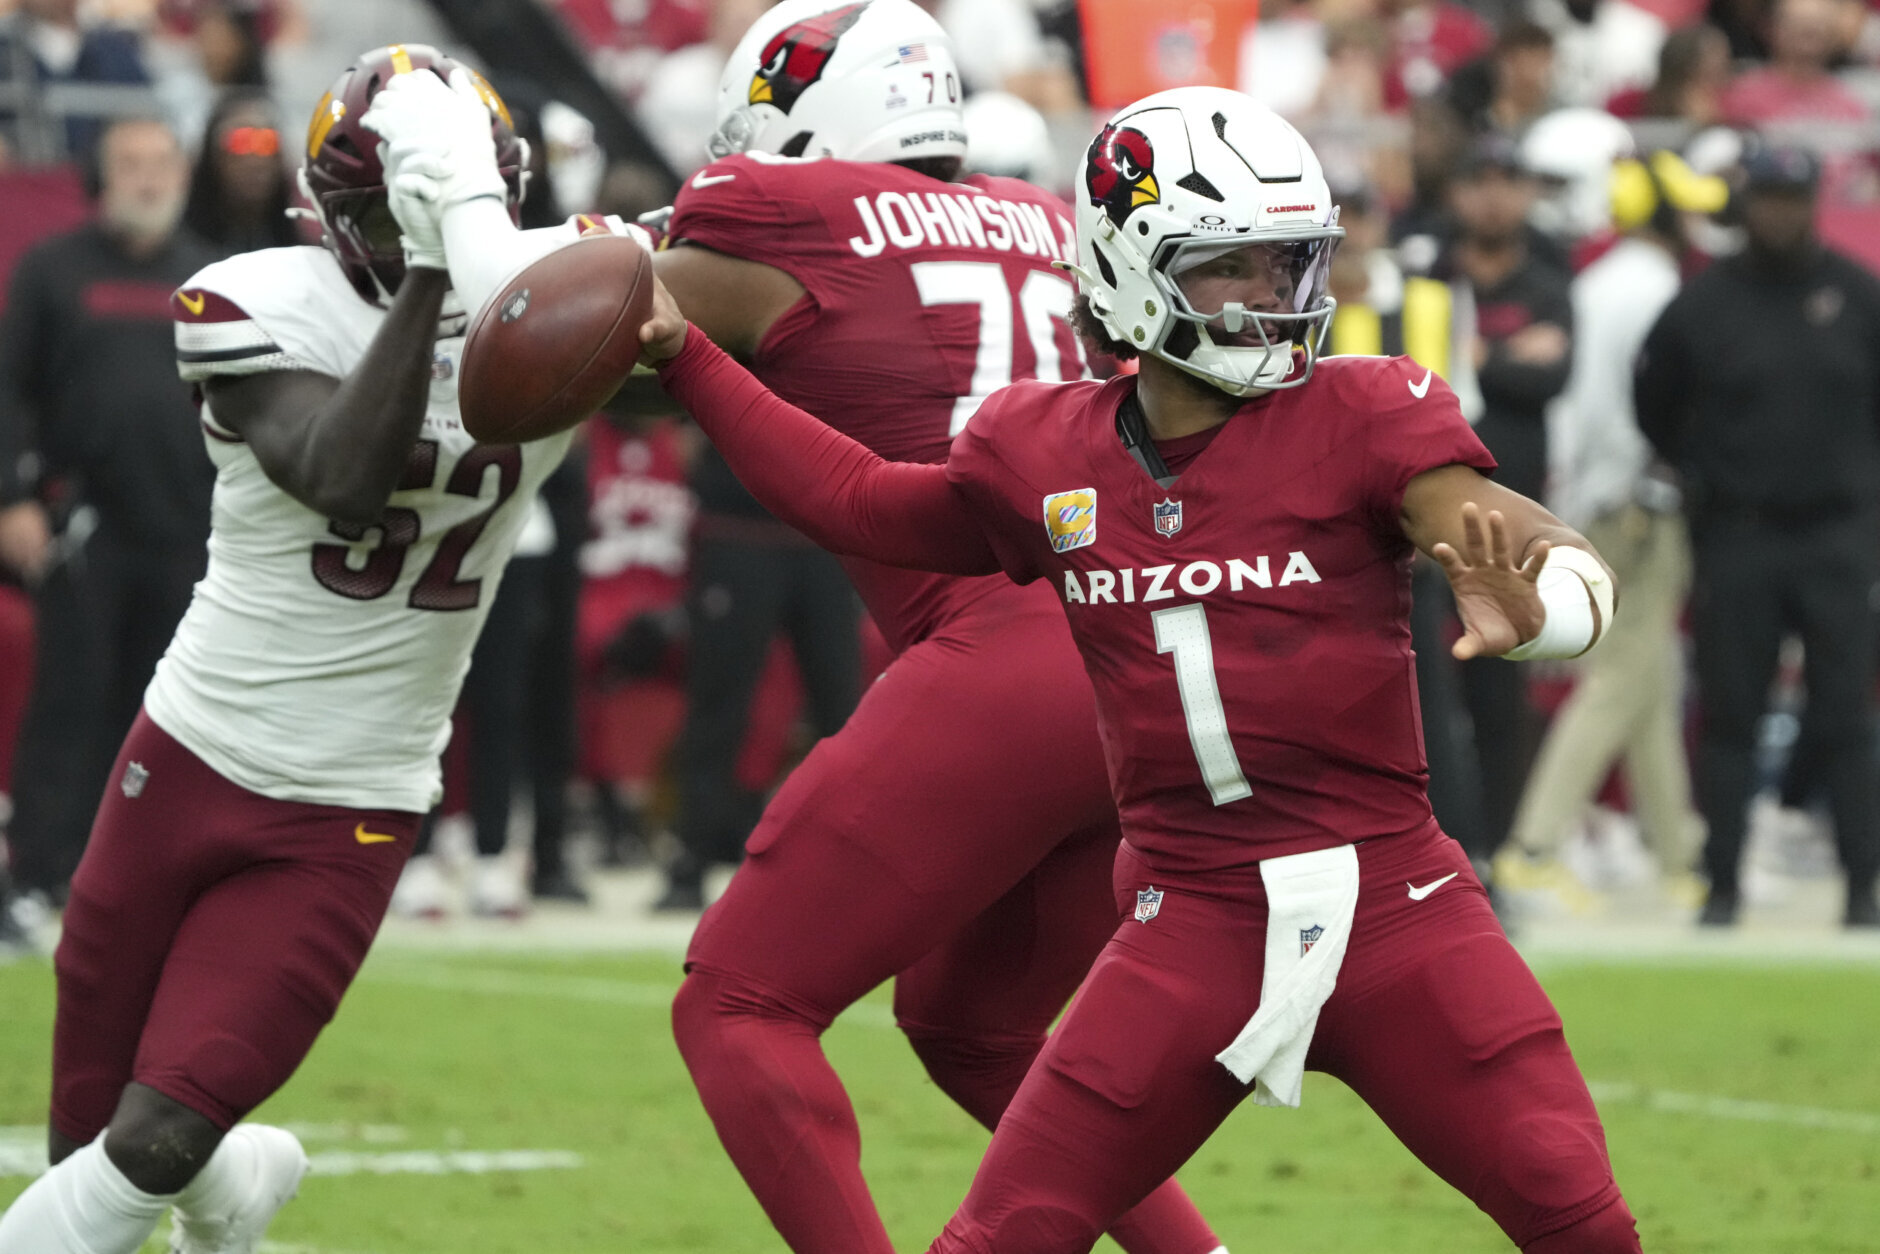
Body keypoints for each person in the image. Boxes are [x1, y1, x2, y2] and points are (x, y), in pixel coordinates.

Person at [636, 86, 1639, 1252]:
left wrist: (1552, 606)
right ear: (1126, 266)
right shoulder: (1040, 447)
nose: (1275, 296)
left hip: (1391, 904)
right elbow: (860, 501)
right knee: (1002, 1237)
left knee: (1575, 1214)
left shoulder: (1366, 410)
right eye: (1235, 265)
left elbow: (1513, 535)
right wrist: (687, 355)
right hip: (1189, 918)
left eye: (1290, 264)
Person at [362, 4, 1225, 1251]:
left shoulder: (784, 216)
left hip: (1006, 654)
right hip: (1151, 661)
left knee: (737, 1003)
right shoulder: (1043, 218)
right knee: (973, 1032)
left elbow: (535, 312)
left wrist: (452, 188)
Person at [0, 43, 622, 1253]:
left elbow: (715, 331)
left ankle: (212, 1177)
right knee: (92, 1138)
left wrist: (632, 285)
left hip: (351, 800)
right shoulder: (246, 299)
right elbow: (341, 473)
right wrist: (442, 273)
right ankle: (240, 1193)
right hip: (187, 751)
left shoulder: (558, 285)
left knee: (162, 1132)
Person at [1636, 144, 1880, 929]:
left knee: (1846, 715)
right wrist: (1704, 475)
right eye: (1767, 197)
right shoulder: (1704, 306)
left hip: (1839, 536)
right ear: (1748, 204)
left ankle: (1862, 890)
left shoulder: (1858, 295)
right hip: (1738, 537)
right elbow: (1654, 401)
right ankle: (1723, 886)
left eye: (1793, 196)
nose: (1780, 211)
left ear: (1814, 200)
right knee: (1732, 716)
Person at [0, 114, 216, 908]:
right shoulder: (51, 271)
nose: (148, 179)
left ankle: (142, 880)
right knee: (71, 703)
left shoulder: (212, 276)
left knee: (167, 721)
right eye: (131, 164)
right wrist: (11, 497)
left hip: (192, 530)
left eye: (161, 163)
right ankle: (40, 873)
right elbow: (6, 390)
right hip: (83, 526)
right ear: (102, 176)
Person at [1497, 151, 1722, 906]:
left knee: (1649, 680)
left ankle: (1678, 857)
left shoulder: (1602, 282)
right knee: (1623, 675)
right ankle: (1533, 844)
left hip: (1598, 496)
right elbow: (1641, 413)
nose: (1696, 221)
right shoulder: (1655, 288)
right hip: (1632, 504)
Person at [1443, 134, 1574, 867]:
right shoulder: (1426, 265)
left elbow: (1552, 378)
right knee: (1416, 693)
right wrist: (1501, 358)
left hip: (1514, 513)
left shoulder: (1548, 275)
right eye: (1479, 179)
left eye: (1508, 180)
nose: (1493, 196)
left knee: (1501, 694)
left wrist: (1468, 358)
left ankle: (1492, 855)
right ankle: (1431, 849)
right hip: (1420, 516)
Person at [181, 88, 301, 257]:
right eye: (240, 140)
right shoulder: (173, 250)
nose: (255, 159)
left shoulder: (303, 254)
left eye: (267, 141)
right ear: (212, 154)